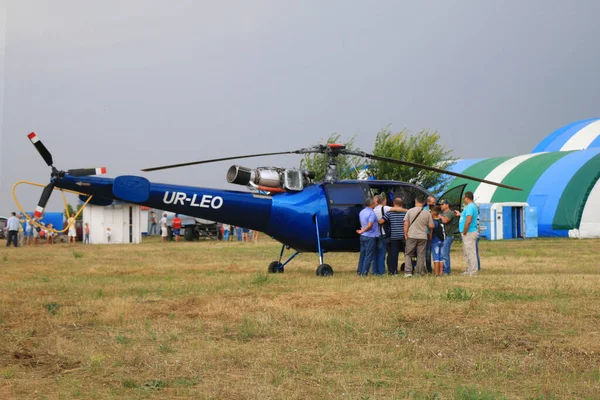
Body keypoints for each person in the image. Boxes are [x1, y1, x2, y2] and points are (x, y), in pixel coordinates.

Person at [403, 196, 434, 277]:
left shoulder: (410, 211)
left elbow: (406, 223)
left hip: (412, 235)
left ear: (415, 202)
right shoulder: (427, 213)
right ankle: (419, 272)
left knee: (408, 254)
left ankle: (408, 271)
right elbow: (431, 225)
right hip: (423, 236)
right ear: (423, 203)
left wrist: (405, 233)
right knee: (421, 255)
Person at [379, 198, 407, 275]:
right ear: (401, 204)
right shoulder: (405, 213)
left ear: (394, 203)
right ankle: (408, 270)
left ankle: (393, 271)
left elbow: (381, 221)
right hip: (403, 236)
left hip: (394, 236)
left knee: (394, 255)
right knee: (407, 254)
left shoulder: (389, 213)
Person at [455, 191, 479, 276]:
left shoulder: (470, 207)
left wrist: (465, 230)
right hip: (468, 232)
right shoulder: (471, 207)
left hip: (469, 232)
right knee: (466, 252)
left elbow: (468, 220)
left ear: (467, 198)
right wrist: (460, 214)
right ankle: (469, 269)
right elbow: (466, 216)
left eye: (464, 198)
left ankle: (473, 271)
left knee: (471, 252)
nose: (464, 200)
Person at [356, 197, 378, 276]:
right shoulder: (372, 213)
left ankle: (359, 271)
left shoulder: (362, 212)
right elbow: (370, 225)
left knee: (363, 254)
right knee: (369, 255)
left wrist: (362, 231)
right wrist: (363, 230)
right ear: (372, 204)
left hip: (363, 236)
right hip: (370, 235)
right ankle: (364, 272)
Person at [439, 199, 457, 275]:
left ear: (447, 205)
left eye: (442, 204)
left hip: (448, 235)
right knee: (443, 253)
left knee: (445, 253)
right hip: (444, 235)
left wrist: (438, 215)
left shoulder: (450, 213)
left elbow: (445, 220)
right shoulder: (443, 213)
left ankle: (446, 271)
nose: (441, 206)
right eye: (440, 204)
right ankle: (443, 269)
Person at [430, 206, 445, 277]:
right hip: (442, 241)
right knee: (441, 257)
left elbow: (431, 232)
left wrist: (430, 239)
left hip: (435, 241)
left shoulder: (433, 222)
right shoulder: (441, 221)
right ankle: (441, 272)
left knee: (436, 257)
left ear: (432, 214)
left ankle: (436, 273)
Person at [424, 196, 437, 274]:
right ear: (428, 202)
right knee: (425, 253)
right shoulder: (423, 210)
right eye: (432, 203)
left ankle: (429, 269)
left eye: (434, 202)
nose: (433, 204)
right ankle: (424, 268)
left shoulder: (436, 210)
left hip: (434, 233)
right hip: (425, 233)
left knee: (430, 252)